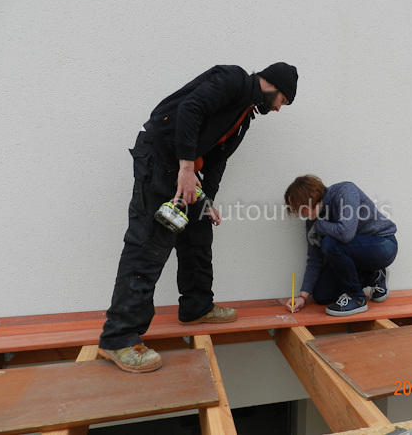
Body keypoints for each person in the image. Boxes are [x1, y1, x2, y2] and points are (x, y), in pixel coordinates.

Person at [99, 63, 298, 373]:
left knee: (198, 230)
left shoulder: (243, 116)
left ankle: (197, 307)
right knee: (148, 244)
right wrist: (187, 168)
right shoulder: (232, 79)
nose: (279, 109)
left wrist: (207, 200)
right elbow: (190, 108)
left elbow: (217, 160)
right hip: (160, 158)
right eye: (283, 101)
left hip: (182, 166)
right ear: (276, 87)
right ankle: (118, 337)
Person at [284, 175, 397, 316]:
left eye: (302, 209)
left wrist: (319, 226)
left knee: (329, 243)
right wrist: (302, 297)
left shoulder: (345, 191)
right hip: (353, 255)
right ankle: (373, 276)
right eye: (297, 211)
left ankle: (357, 299)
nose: (301, 215)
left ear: (312, 199)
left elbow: (346, 233)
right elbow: (314, 259)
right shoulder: (312, 221)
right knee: (321, 295)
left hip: (382, 245)